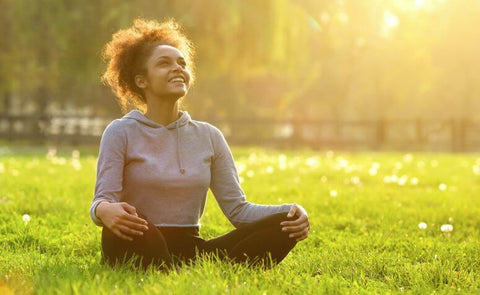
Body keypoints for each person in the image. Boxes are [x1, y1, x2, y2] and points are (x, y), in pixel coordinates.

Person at [90, 18, 310, 271]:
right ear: (142, 80)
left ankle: (174, 268)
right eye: (164, 63)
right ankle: (166, 267)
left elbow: (238, 210)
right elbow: (103, 201)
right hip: (136, 238)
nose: (177, 68)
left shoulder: (209, 136)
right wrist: (103, 211)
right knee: (138, 227)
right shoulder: (120, 132)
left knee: (284, 223)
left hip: (191, 248)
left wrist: (294, 211)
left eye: (181, 63)